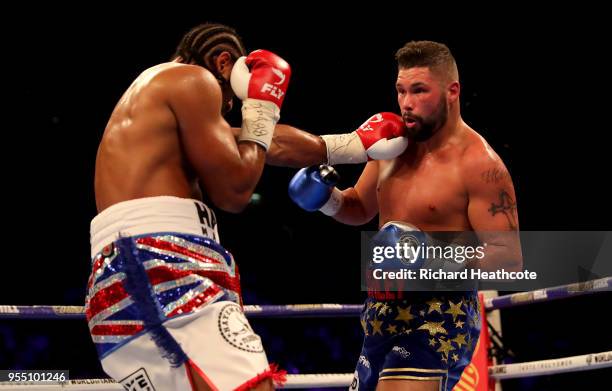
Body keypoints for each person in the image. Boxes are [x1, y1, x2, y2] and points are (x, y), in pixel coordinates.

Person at [277, 41, 523, 390]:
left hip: (441, 314)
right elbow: (358, 208)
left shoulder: (479, 165)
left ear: (452, 92)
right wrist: (324, 198)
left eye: (419, 91)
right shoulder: (391, 146)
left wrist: (428, 260)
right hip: (381, 311)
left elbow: (508, 257)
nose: (406, 103)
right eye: (401, 91)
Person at [86, 23, 291, 391]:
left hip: (128, 274)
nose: (227, 109)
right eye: (228, 101)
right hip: (163, 267)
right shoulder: (194, 80)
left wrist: (348, 145)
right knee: (255, 386)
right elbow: (235, 190)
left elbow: (275, 145)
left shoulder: (158, 102)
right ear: (225, 63)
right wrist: (261, 105)